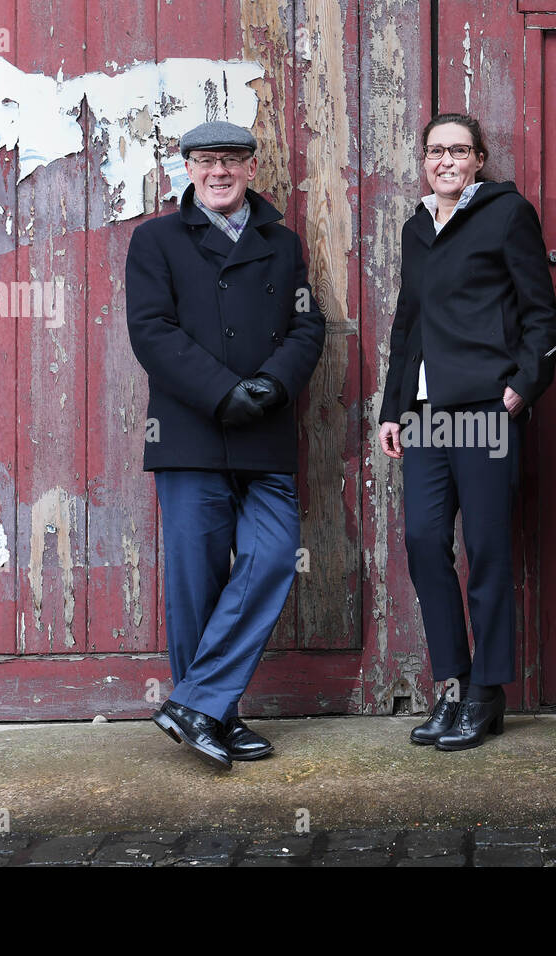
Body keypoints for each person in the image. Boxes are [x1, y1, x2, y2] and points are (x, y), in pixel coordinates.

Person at [125, 121, 325, 770]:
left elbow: (306, 322)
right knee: (196, 581)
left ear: (250, 168)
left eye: (231, 161)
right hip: (190, 433)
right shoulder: (155, 239)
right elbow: (152, 333)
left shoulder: (282, 241)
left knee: (272, 555)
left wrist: (273, 382)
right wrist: (222, 392)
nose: (218, 172)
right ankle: (217, 712)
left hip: (264, 430)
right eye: (206, 161)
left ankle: (195, 704)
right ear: (185, 167)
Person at [378, 113, 556, 751]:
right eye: (435, 151)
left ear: (479, 157)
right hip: (426, 415)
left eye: (458, 150)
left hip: (486, 410)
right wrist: (391, 409)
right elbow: (408, 323)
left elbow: (543, 314)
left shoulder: (507, 216)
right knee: (426, 542)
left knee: (485, 551)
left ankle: (487, 693)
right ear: (425, 161)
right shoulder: (416, 227)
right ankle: (452, 685)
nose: (446, 160)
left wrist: (522, 386)